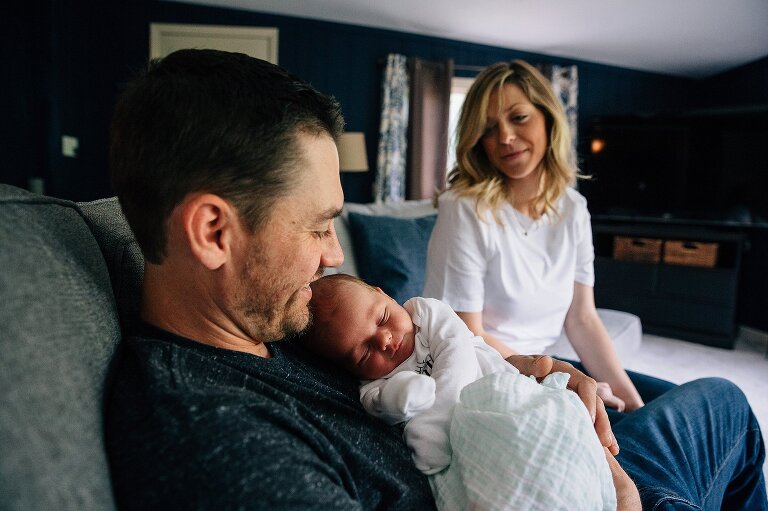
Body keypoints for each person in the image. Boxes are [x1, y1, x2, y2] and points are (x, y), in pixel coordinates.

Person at [103, 49, 766, 511]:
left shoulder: (270, 322)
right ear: (214, 231)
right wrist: (616, 482)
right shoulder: (224, 439)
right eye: (318, 225)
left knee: (697, 402)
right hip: (560, 483)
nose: (335, 252)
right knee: (729, 407)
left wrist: (532, 368)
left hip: (527, 426)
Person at [423, 60, 668, 414]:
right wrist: (560, 379)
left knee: (688, 403)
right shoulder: (463, 208)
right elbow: (468, 333)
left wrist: (634, 406)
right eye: (489, 128)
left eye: (518, 117)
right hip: (487, 372)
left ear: (548, 117)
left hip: (544, 367)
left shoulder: (572, 208)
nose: (505, 137)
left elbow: (582, 318)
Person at [301, 273, 617, 511]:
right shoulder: (371, 386)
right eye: (364, 353)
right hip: (469, 446)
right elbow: (383, 406)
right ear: (349, 369)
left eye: (383, 317)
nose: (384, 340)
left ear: (384, 295)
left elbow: (457, 355)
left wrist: (436, 416)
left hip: (507, 393)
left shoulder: (425, 315)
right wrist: (404, 394)